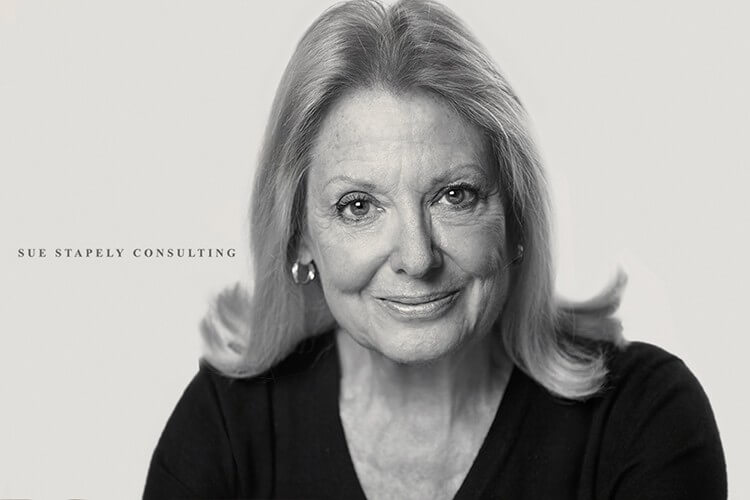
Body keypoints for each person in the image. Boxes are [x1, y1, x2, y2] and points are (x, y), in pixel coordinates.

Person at [143, 0, 726, 498]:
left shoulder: (643, 417)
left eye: (455, 195)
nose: (417, 258)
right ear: (298, 236)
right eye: (358, 206)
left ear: (515, 216)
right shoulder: (225, 426)